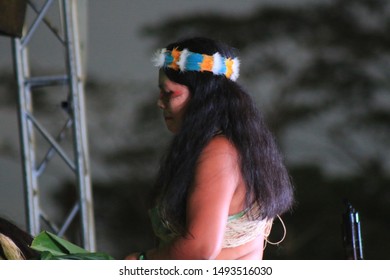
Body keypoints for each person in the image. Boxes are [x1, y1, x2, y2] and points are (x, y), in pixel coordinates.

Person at [126, 37, 294, 260]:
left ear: (202, 97)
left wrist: (140, 261)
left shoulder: (220, 152)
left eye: (170, 93)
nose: (160, 102)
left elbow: (200, 249)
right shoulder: (236, 147)